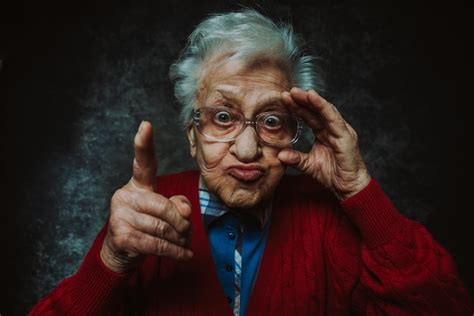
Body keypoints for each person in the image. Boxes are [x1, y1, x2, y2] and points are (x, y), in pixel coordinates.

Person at [29, 9, 473, 315]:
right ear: (192, 135)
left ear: (296, 130)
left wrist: (359, 191)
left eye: (272, 120)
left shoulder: (325, 217)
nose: (246, 150)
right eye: (223, 117)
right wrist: (109, 261)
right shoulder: (145, 212)